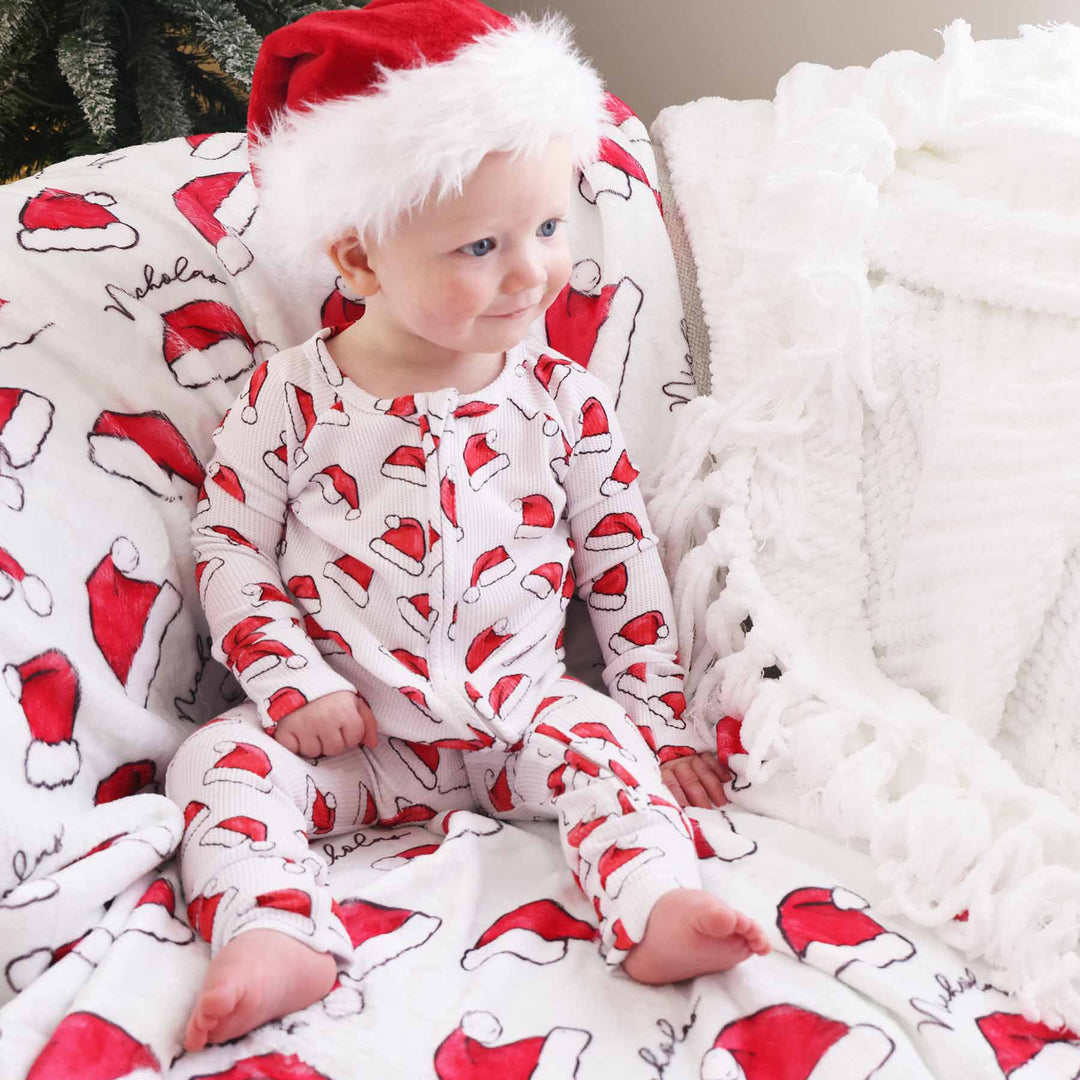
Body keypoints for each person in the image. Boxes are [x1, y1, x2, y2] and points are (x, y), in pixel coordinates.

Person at [166, 0, 769, 1054]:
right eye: (481, 245)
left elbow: (622, 562)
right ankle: (269, 930)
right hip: (356, 735)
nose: (533, 270)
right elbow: (228, 549)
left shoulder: (561, 398)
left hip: (522, 712)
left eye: (544, 229)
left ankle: (656, 904)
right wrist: (289, 685)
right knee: (218, 765)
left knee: (608, 754)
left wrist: (657, 717)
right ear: (358, 263)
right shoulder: (290, 401)